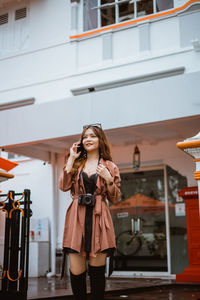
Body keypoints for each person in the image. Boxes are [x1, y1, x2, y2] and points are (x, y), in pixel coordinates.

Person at [58, 124, 121, 300]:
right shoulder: (76, 164)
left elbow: (115, 198)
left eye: (92, 136)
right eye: (85, 137)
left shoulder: (110, 166)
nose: (88, 139)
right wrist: (71, 159)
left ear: (100, 140)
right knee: (77, 272)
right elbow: (63, 186)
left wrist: (108, 179)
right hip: (76, 218)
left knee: (97, 274)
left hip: (99, 220)